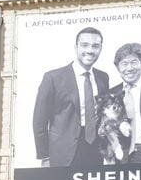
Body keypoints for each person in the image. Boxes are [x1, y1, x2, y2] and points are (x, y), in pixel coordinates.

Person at [33, 27, 110, 167]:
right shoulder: (53, 78)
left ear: (100, 49)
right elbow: (40, 120)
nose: (90, 50)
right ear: (76, 47)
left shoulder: (103, 78)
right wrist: (44, 157)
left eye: (95, 46)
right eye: (84, 45)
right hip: (62, 152)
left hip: (95, 149)